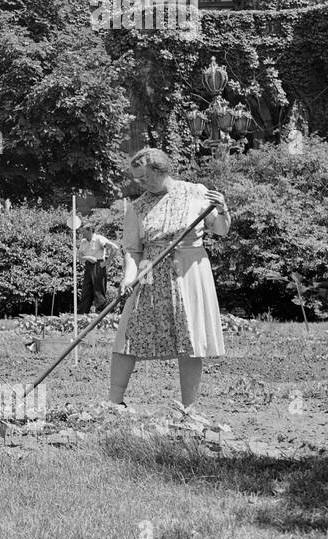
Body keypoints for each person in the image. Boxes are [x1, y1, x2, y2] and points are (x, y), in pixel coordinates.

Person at [108, 147, 230, 418]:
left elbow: (220, 229)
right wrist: (129, 277)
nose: (141, 184)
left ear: (161, 171)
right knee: (128, 334)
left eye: (144, 178)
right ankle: (113, 404)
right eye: (137, 179)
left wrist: (223, 210)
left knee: (190, 338)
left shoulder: (195, 193)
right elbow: (132, 249)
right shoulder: (138, 206)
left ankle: (189, 410)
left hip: (189, 270)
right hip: (150, 271)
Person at [77, 219, 120, 314]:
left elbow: (115, 248)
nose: (82, 233)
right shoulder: (83, 241)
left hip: (98, 266)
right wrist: (88, 257)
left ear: (90, 231)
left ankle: (101, 314)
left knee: (98, 291)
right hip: (88, 266)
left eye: (84, 231)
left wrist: (107, 262)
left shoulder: (99, 239)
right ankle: (82, 314)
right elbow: (79, 257)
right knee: (86, 290)